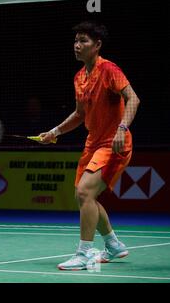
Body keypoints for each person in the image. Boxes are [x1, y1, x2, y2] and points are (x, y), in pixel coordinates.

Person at [38, 21, 140, 270]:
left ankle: (84, 254)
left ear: (97, 45)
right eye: (75, 41)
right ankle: (113, 245)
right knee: (83, 196)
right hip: (93, 143)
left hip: (114, 143)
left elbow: (133, 99)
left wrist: (122, 128)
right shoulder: (79, 77)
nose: (77, 45)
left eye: (83, 40)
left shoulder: (109, 70)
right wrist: (54, 132)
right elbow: (80, 114)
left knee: (85, 192)